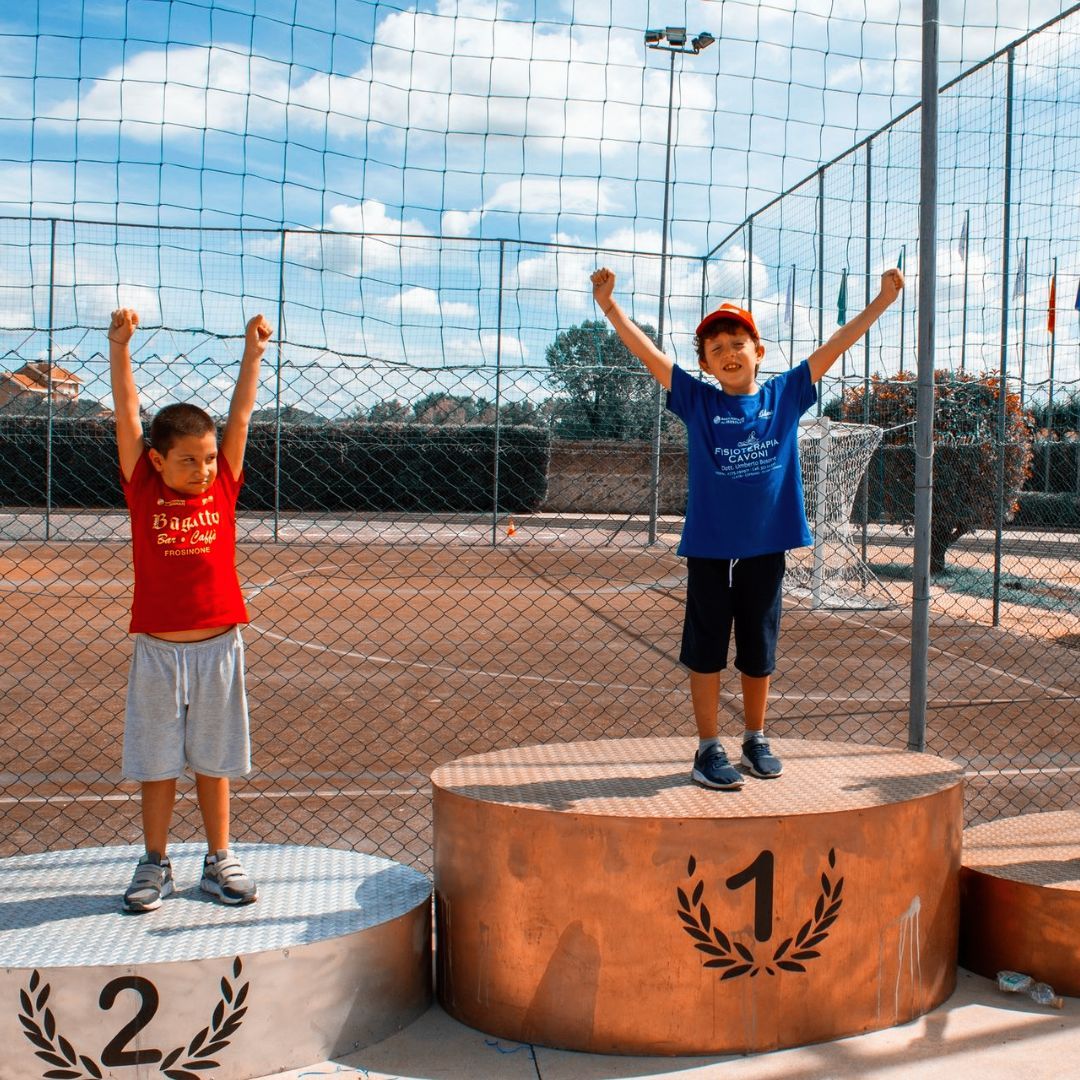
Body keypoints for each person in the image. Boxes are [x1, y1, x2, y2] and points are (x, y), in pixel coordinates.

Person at [590, 266, 904, 790]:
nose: (729, 353)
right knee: (707, 648)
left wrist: (881, 302)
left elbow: (836, 345)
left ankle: (755, 737)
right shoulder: (699, 401)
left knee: (758, 652)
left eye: (739, 342)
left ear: (758, 350)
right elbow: (648, 355)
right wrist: (610, 308)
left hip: (765, 550)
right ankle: (708, 748)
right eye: (717, 349)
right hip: (711, 550)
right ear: (705, 364)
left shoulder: (784, 397)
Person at [108, 307, 271, 910]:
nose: (202, 470)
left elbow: (242, 415)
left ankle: (219, 859)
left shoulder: (223, 481)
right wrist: (120, 348)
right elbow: (128, 415)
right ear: (156, 459)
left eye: (206, 459)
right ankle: (154, 864)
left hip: (218, 648)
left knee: (213, 760)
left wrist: (252, 354)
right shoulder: (141, 484)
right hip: (157, 652)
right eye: (187, 460)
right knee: (157, 764)